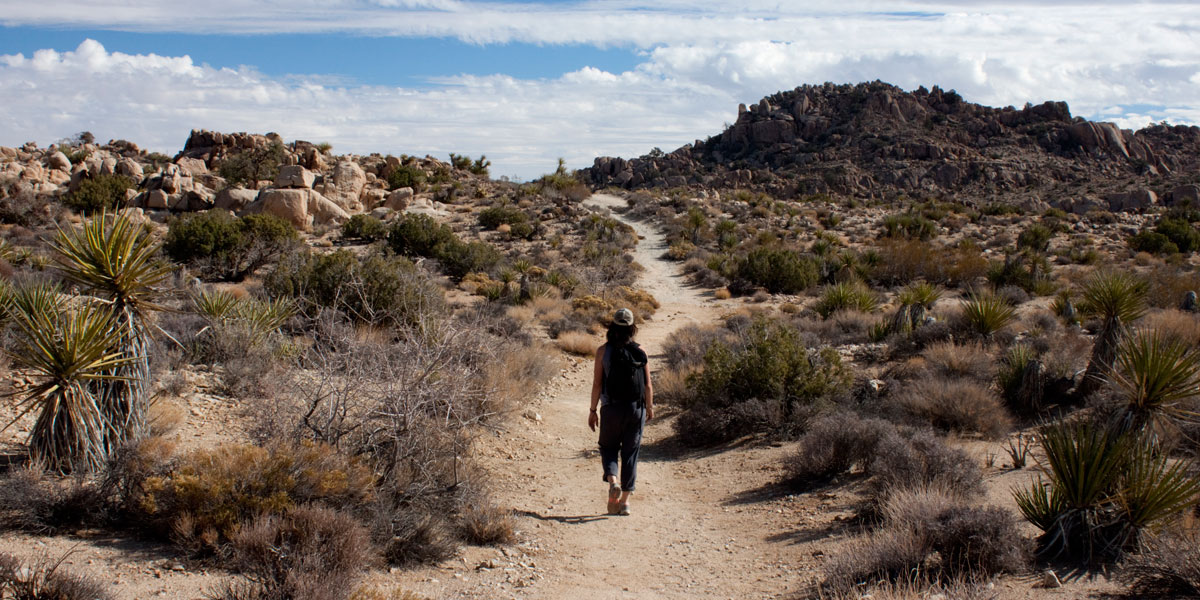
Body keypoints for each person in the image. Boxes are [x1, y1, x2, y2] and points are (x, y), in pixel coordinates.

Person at [588, 307, 654, 516]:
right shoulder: (640, 350)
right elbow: (648, 385)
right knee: (630, 453)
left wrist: (592, 410)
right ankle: (625, 502)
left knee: (608, 447)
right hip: (636, 409)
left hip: (611, 408)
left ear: (612, 326)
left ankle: (613, 481)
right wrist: (650, 407)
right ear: (632, 328)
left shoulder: (603, 351)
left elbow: (597, 384)